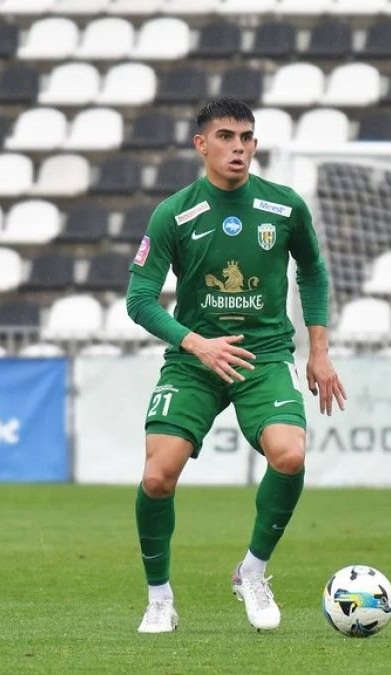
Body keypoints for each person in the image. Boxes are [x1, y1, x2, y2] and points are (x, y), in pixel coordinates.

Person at [125, 98, 346, 634]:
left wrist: (318, 351)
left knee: (290, 455)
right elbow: (139, 299)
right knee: (157, 476)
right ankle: (159, 598)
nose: (239, 147)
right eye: (226, 137)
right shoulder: (174, 213)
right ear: (201, 145)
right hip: (194, 361)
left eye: (246, 137)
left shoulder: (284, 206)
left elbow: (313, 272)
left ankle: (252, 571)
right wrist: (195, 343)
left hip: (264, 355)